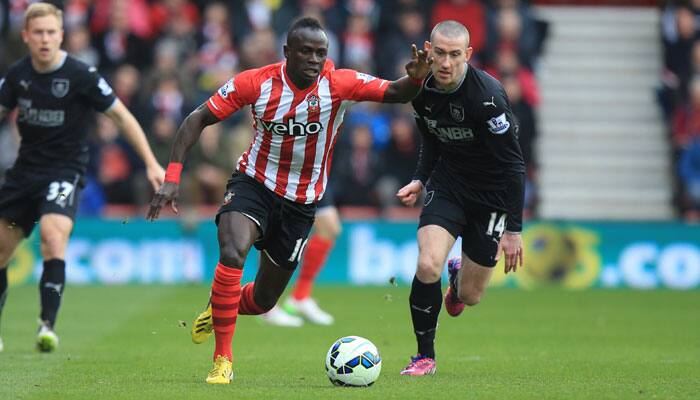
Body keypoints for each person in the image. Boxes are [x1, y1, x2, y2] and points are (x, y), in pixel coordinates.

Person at [147, 17, 431, 384]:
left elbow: (396, 92)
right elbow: (196, 119)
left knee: (264, 300)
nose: (315, 60)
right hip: (254, 183)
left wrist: (417, 78)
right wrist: (172, 178)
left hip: (301, 201)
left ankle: (219, 306)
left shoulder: (339, 83)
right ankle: (223, 360)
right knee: (233, 252)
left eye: (321, 53)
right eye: (306, 52)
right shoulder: (257, 82)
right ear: (287, 52)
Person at [0, 3, 164, 353]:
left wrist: (151, 162)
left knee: (52, 235)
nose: (45, 39)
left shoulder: (82, 75)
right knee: (0, 250)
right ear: (27, 36)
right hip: (24, 172)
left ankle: (47, 325)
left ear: (61, 35)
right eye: (38, 33)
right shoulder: (17, 76)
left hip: (64, 170)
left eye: (51, 32)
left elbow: (122, 117)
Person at [395, 20, 525, 376]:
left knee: (470, 297)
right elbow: (432, 138)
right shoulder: (420, 89)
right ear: (429, 51)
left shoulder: (488, 95)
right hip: (448, 186)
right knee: (426, 265)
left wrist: (513, 230)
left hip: (491, 197)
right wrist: (420, 179)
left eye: (455, 55)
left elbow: (514, 166)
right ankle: (424, 356)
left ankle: (458, 280)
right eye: (440, 53)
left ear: (467, 55)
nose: (446, 63)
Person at [260, 192, 340, 327]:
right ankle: (265, 306)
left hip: (315, 175)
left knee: (329, 228)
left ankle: (300, 297)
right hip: (281, 175)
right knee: (275, 229)